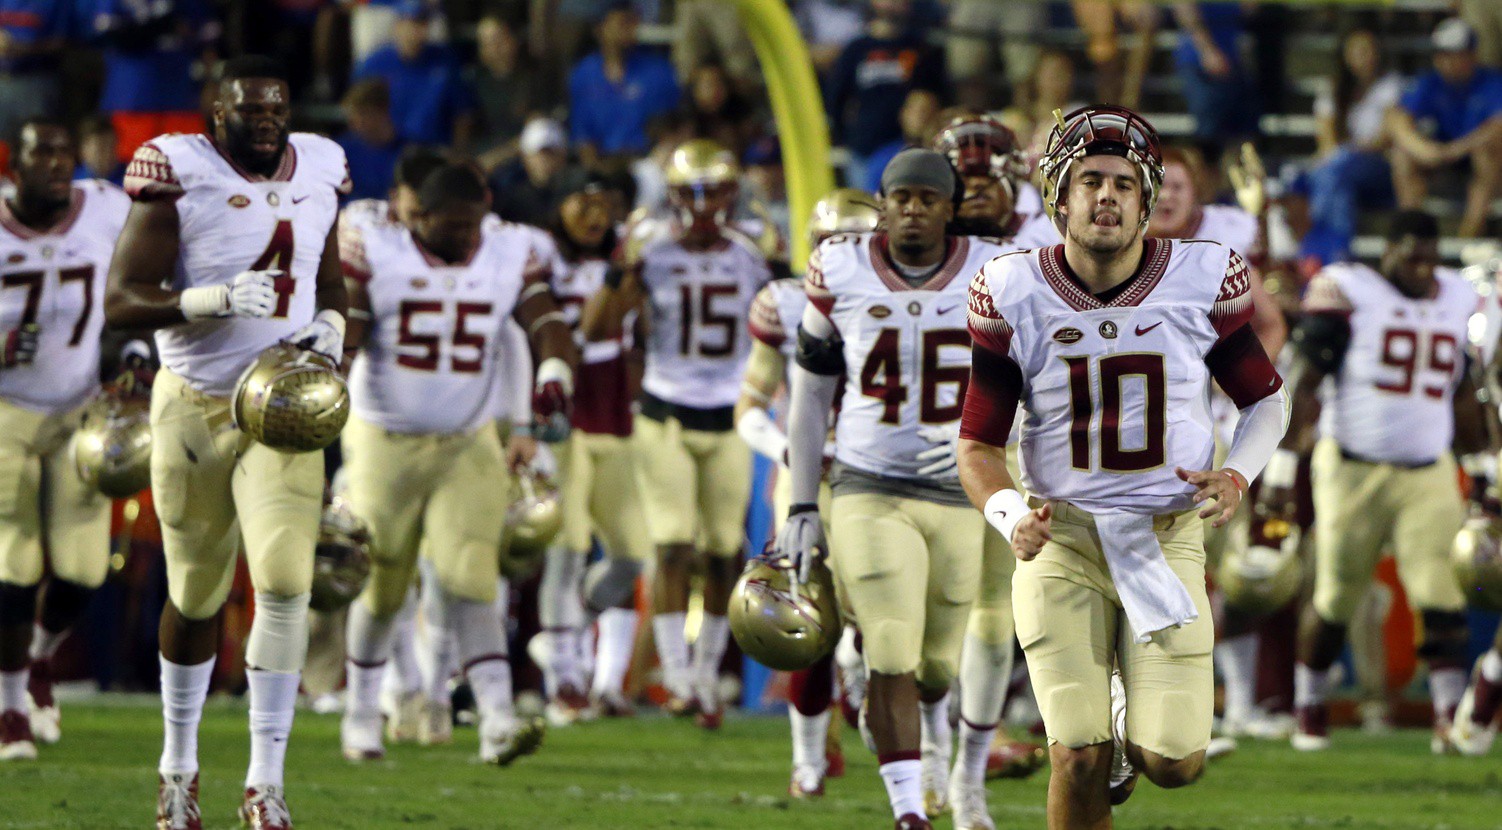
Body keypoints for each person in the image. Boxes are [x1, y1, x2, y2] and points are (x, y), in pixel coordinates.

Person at [958, 106, 1288, 828]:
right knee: (1076, 753)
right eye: (1089, 181)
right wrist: (1011, 516)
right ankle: (1099, 716)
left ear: (1145, 200)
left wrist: (1237, 475)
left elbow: (1266, 401)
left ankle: (1130, 722)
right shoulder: (1011, 290)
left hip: (1164, 538)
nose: (1105, 196)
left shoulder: (1202, 277)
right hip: (1063, 538)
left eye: (1121, 184)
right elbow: (977, 445)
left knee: (1174, 761)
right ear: (1059, 197)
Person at [105, 55, 352, 830]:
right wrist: (204, 300)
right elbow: (120, 302)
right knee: (197, 593)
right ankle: (178, 766)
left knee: (284, 582)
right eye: (250, 109)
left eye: (276, 107)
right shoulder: (177, 169)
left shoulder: (322, 165)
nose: (267, 120)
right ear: (219, 115)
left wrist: (336, 331)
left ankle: (264, 783)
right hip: (195, 402)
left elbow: (332, 282)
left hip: (282, 405)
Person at [777, 149, 1016, 830]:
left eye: (926, 198)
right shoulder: (840, 266)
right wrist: (800, 502)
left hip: (958, 487)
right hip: (866, 484)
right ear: (882, 205)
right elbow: (810, 391)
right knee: (887, 645)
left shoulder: (995, 269)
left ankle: (932, 738)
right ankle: (909, 810)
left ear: (951, 206)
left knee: (938, 665)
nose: (912, 209)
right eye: (900, 197)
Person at [336, 162, 574, 766]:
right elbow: (352, 328)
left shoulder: (507, 247)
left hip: (467, 441)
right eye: (455, 226)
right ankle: (363, 713)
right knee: (383, 582)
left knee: (472, 575)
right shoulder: (379, 247)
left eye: (475, 223)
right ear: (418, 217)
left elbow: (544, 321)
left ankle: (496, 719)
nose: (469, 237)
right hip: (383, 437)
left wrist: (551, 378)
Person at [1262, 211, 1491, 754]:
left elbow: (1464, 392)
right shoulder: (1350, 288)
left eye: (1430, 257)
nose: (1421, 268)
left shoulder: (1458, 296)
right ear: (1387, 250)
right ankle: (1309, 707)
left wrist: (1481, 470)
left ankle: (1447, 719)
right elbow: (1305, 379)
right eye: (1410, 255)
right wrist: (1279, 471)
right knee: (1337, 595)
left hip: (1429, 468)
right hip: (1350, 466)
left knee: (1440, 591)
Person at [581, 139, 773, 729]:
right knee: (671, 545)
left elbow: (788, 319)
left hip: (731, 414)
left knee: (722, 553)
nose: (702, 204)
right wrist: (621, 267)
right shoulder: (652, 250)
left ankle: (708, 675)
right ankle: (680, 675)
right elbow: (598, 328)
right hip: (664, 412)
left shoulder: (752, 251)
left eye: (712, 190)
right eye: (691, 192)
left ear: (730, 193)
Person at [925, 115, 1058, 830]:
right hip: (915, 450)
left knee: (989, 613)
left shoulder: (1050, 250)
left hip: (1007, 449)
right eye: (963, 179)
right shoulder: (910, 249)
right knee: (914, 620)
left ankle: (968, 776)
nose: (973, 192)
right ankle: (924, 743)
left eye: (985, 178)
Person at [737, 187, 880, 799]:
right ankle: (806, 764)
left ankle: (858, 667)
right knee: (805, 621)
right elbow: (748, 404)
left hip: (879, 478)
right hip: (810, 481)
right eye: (832, 243)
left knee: (878, 613)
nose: (844, 255)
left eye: (857, 241)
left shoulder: (911, 298)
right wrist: (785, 450)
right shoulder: (787, 300)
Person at [0, 120, 131, 760]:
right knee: (13, 567)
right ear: (14, 164)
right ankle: (9, 706)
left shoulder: (106, 207)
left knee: (82, 570)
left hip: (79, 408)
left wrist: (133, 348)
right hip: (5, 412)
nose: (55, 164)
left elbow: (144, 277)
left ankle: (40, 663)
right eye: (40, 154)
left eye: (63, 152)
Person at [533, 169, 653, 724]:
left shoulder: (633, 263)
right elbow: (585, 335)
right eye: (579, 202)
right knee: (568, 550)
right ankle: (565, 680)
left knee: (631, 555)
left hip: (615, 416)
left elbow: (635, 331)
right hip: (566, 417)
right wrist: (616, 276)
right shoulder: (543, 261)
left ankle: (570, 640)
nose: (591, 214)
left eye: (601, 204)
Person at [1297, 28, 1405, 264]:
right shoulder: (1333, 90)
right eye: (1357, 51)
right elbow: (1327, 142)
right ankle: (1333, 252)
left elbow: (1384, 139)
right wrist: (1342, 155)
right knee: (1326, 177)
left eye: (1368, 50)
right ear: (1345, 56)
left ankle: (1322, 251)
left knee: (1332, 170)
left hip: (1377, 168)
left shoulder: (1390, 86)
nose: (1364, 56)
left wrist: (1348, 153)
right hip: (1343, 169)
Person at [1389, 18, 1502, 238]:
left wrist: (1456, 149)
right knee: (1402, 156)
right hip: (1441, 155)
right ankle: (1413, 233)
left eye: (1453, 53)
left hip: (1477, 159)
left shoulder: (1492, 82)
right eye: (1441, 54)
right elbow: (1396, 119)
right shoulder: (1429, 82)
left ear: (1471, 55)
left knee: (1488, 153)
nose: (1445, 61)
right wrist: (1426, 150)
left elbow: (1498, 127)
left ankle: (1469, 235)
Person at [824, 0, 947, 189]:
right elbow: (836, 98)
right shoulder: (856, 49)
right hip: (863, 147)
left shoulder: (922, 49)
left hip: (906, 146)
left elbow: (932, 98)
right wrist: (846, 136)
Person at [92, 0, 219, 163]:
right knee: (131, 171)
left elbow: (210, 46)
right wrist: (163, 23)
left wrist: (210, 84)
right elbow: (112, 37)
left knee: (189, 167)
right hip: (130, 99)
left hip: (183, 99)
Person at [567, 3, 681, 169]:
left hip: (648, 164)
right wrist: (596, 171)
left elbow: (672, 129)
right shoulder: (583, 74)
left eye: (632, 23)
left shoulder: (658, 71)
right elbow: (582, 137)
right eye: (622, 23)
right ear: (600, 29)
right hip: (604, 163)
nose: (629, 30)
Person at [352, 0, 475, 150]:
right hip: (384, 151)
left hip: (434, 151)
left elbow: (463, 113)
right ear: (397, 26)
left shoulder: (445, 61)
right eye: (411, 23)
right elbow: (357, 114)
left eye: (422, 23)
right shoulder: (374, 64)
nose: (417, 31)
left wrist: (458, 152)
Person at [489, 118, 570, 227]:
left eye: (551, 153)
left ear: (563, 156)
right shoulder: (512, 202)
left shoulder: (577, 196)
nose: (544, 160)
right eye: (538, 153)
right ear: (525, 157)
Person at [335, 79, 404, 203]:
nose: (353, 123)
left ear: (380, 113)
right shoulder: (341, 151)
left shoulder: (407, 152)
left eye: (361, 114)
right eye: (352, 116)